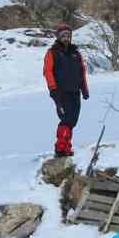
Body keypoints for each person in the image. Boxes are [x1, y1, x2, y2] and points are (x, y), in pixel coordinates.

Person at [42, 21, 89, 157]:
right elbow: (48, 71)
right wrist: (53, 90)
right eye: (63, 35)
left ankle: (66, 146)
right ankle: (60, 147)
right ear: (58, 37)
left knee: (73, 120)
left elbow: (82, 71)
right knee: (66, 119)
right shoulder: (52, 53)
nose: (66, 38)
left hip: (75, 91)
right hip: (61, 92)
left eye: (68, 35)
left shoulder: (76, 53)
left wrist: (84, 89)